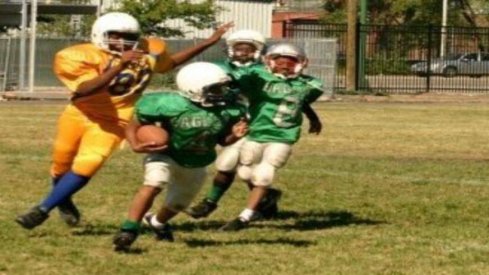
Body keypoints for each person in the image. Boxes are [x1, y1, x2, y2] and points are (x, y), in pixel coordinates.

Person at [15, 12, 233, 230]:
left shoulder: (149, 48)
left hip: (117, 118)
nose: (122, 42)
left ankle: (42, 210)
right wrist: (119, 66)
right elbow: (85, 89)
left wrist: (208, 42)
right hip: (81, 113)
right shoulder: (78, 55)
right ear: (100, 34)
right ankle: (62, 199)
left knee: (90, 162)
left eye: (128, 36)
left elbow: (170, 63)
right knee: (61, 164)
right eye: (115, 36)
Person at [185, 31, 322, 220]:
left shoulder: (263, 71)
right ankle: (261, 200)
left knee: (240, 166)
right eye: (238, 48)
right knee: (229, 165)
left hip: (255, 123)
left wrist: (312, 116)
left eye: (248, 49)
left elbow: (292, 97)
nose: (242, 53)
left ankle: (226, 203)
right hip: (233, 120)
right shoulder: (219, 68)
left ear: (258, 52)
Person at [112, 62, 248, 251]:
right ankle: (129, 229)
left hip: (196, 162)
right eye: (215, 88)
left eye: (222, 87)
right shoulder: (169, 104)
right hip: (166, 154)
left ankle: (157, 222)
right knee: (154, 183)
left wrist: (235, 135)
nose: (222, 92)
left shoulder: (227, 110)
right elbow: (135, 123)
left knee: (178, 203)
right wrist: (135, 143)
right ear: (193, 89)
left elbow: (223, 141)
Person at [219, 42, 324, 231]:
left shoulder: (309, 84)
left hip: (282, 136)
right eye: (280, 61)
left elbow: (298, 100)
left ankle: (244, 217)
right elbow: (235, 80)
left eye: (290, 62)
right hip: (256, 133)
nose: (285, 66)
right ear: (268, 62)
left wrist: (312, 117)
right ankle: (268, 199)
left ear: (301, 63)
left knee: (264, 174)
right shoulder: (259, 78)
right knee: (245, 173)